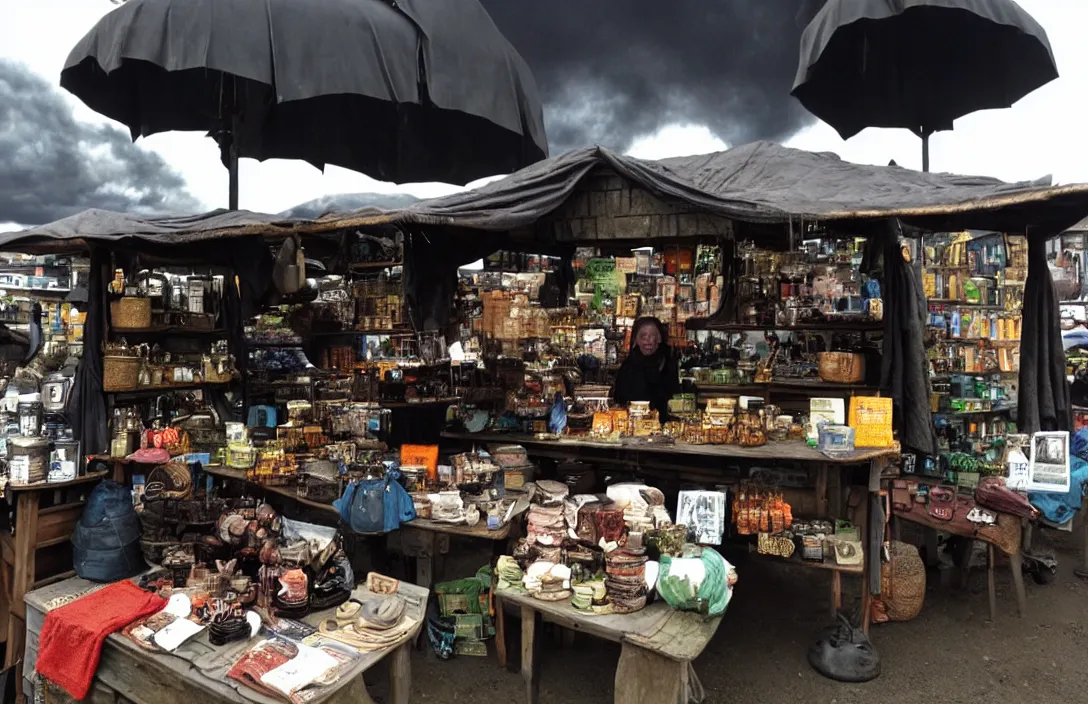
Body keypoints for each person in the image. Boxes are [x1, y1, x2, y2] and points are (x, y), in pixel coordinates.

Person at [612, 316, 680, 421]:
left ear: (659, 339)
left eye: (652, 335)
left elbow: (675, 398)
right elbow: (620, 400)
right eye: (643, 336)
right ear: (636, 340)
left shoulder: (668, 363)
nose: (647, 340)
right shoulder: (628, 366)